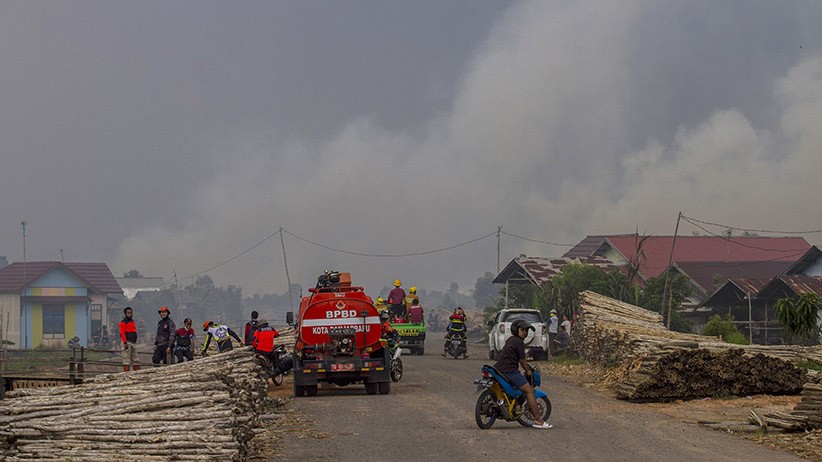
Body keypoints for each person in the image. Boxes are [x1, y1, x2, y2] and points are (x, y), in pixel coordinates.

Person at [493, 319, 553, 429]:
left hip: (498, 370)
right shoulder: (519, 342)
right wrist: (528, 370)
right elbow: (522, 361)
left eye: (526, 330)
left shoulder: (510, 340)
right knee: (529, 390)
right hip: (510, 371)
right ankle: (539, 420)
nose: (525, 332)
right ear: (516, 330)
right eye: (522, 330)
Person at [119, 307, 140, 372]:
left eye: (130, 313)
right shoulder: (123, 322)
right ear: (125, 314)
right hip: (127, 343)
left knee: (136, 359)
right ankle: (127, 375)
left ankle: (137, 374)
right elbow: (122, 333)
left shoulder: (132, 322)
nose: (130, 314)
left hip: (133, 343)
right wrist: (125, 343)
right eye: (128, 313)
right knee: (126, 360)